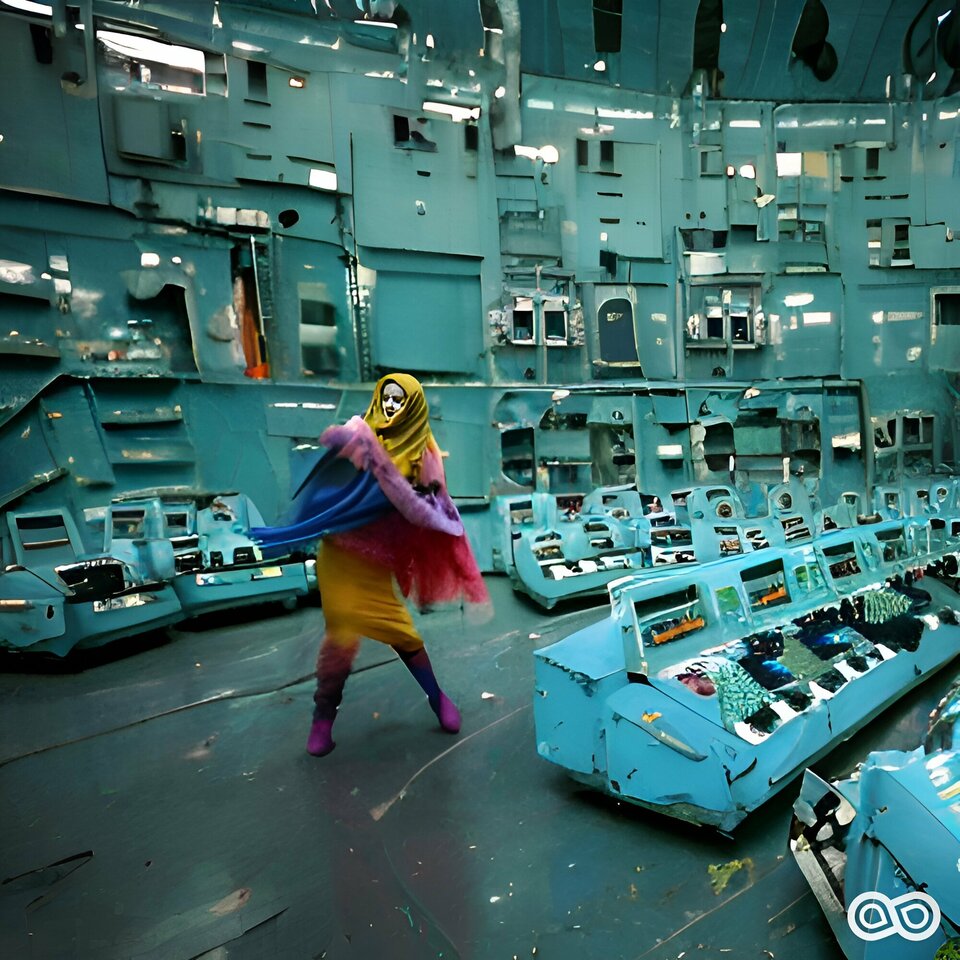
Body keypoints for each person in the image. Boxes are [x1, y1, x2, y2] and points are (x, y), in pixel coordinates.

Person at [252, 373, 489, 757]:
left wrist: (396, 487)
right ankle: (322, 720)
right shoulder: (359, 432)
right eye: (387, 398)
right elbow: (331, 478)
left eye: (400, 400)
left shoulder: (423, 449)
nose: (392, 406)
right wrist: (344, 446)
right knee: (341, 636)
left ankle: (435, 696)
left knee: (402, 633)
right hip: (341, 555)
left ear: (413, 405)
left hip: (378, 560)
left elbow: (429, 504)